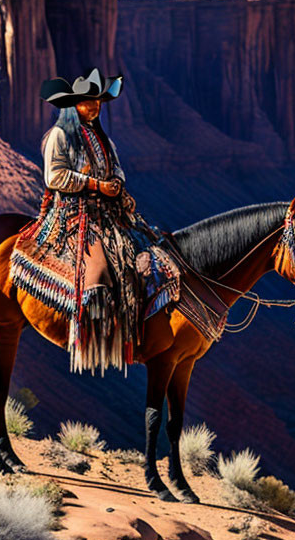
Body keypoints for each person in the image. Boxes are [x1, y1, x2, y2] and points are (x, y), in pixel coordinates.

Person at [10, 68, 179, 373]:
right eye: (88, 102)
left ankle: (135, 333)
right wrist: (96, 186)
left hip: (109, 214)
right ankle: (92, 339)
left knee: (150, 258)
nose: (94, 106)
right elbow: (55, 176)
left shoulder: (102, 139)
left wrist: (118, 189)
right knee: (98, 274)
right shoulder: (59, 136)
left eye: (97, 101)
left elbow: (117, 171)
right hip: (74, 215)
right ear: (73, 105)